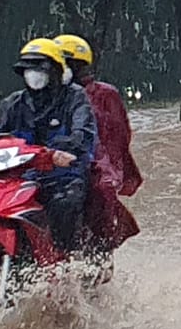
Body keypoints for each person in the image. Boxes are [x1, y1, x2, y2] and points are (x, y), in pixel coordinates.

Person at [0, 38, 98, 254]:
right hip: (22, 175)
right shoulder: (14, 103)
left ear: (56, 72)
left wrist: (65, 149)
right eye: (29, 70)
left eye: (40, 69)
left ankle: (65, 258)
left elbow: (84, 134)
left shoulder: (75, 98)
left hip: (63, 176)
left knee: (64, 204)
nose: (34, 75)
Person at [54, 33, 141, 254]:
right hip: (53, 159)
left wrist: (102, 160)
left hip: (95, 161)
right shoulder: (47, 95)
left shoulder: (105, 94)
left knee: (101, 189)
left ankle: (97, 250)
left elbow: (118, 134)